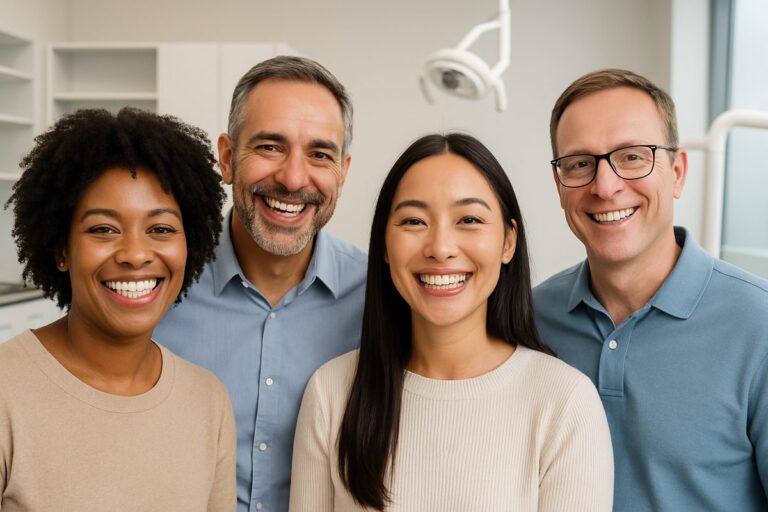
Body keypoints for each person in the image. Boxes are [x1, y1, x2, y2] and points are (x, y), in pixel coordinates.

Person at [290, 133, 613, 511]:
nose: (441, 247)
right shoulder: (332, 394)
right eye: (413, 220)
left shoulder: (564, 403)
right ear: (383, 245)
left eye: (469, 219)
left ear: (508, 242)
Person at [534, 68, 768, 511]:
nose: (605, 187)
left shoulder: (759, 327)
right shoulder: (528, 319)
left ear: (677, 172)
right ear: (559, 185)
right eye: (580, 164)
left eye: (633, 157)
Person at [153, 56, 366, 512]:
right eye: (270, 147)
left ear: (343, 173)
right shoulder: (158, 285)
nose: (292, 177)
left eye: (320, 154)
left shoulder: (382, 298)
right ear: (228, 157)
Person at [1, 107, 235, 511]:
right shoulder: (6, 392)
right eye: (103, 229)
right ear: (61, 250)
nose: (134, 254)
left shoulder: (208, 401)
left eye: (160, 229)